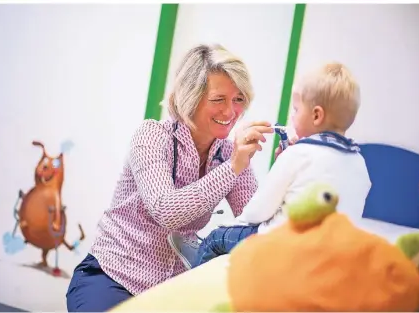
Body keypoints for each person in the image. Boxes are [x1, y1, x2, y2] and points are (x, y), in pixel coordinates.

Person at [65, 43, 275, 312]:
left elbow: (256, 222)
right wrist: (233, 166)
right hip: (110, 277)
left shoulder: (232, 156)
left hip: (169, 293)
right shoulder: (152, 136)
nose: (230, 112)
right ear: (191, 96)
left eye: (239, 100)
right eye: (218, 99)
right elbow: (166, 210)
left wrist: (286, 168)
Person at [173, 62, 372, 268]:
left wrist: (234, 227)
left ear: (316, 115)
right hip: (326, 257)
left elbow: (259, 210)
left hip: (280, 247)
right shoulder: (360, 164)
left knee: (215, 239)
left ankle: (195, 277)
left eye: (296, 109)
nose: (292, 116)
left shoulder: (298, 154)